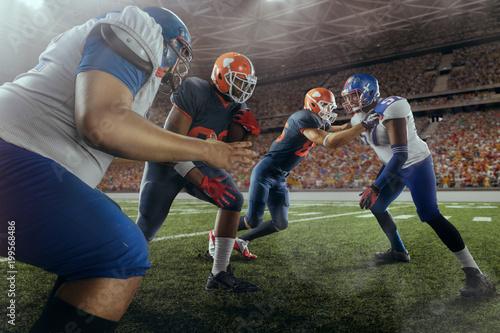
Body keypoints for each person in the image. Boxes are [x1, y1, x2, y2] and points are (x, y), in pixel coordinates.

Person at [0, 7, 256, 332]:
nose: (178, 63)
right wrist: (205, 150)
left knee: (109, 231)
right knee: (123, 253)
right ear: (166, 40)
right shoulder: (141, 25)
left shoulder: (132, 83)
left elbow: (113, 142)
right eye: (179, 51)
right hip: (11, 149)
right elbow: (102, 124)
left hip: (22, 156)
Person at [340, 73, 496, 298]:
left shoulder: (392, 107)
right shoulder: (359, 118)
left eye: (355, 96)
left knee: (430, 214)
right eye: (349, 97)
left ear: (369, 91)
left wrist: (375, 186)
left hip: (414, 164)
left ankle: (475, 273)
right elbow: (343, 129)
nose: (351, 102)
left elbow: (401, 155)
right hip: (391, 166)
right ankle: (399, 251)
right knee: (377, 207)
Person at [136, 52, 261, 293]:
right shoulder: (195, 89)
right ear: (222, 76)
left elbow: (233, 155)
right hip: (165, 165)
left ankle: (219, 274)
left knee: (233, 199)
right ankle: (107, 263)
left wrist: (250, 133)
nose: (243, 88)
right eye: (239, 80)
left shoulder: (238, 106)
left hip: (201, 162)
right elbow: (170, 145)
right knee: (145, 230)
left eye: (247, 83)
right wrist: (202, 180)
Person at [217, 87, 379, 259]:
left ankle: (240, 241)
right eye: (325, 105)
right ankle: (217, 233)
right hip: (266, 173)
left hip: (279, 178)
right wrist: (362, 126)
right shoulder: (305, 117)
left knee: (280, 223)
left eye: (330, 106)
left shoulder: (317, 120)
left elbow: (342, 128)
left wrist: (362, 117)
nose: (330, 110)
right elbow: (330, 142)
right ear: (312, 104)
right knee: (253, 220)